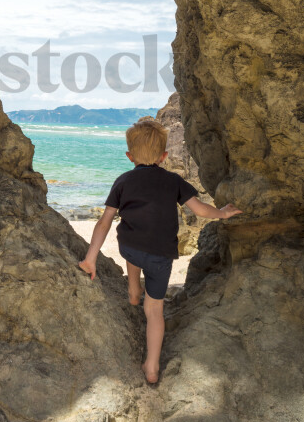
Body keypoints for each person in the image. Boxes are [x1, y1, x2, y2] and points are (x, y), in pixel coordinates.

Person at [78, 118, 242, 385]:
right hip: (160, 257)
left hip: (129, 248)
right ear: (164, 156)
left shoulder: (123, 181)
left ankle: (133, 291)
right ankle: (152, 366)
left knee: (133, 249)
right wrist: (222, 214)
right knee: (154, 310)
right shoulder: (173, 181)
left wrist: (90, 258)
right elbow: (200, 210)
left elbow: (105, 221)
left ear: (129, 156)